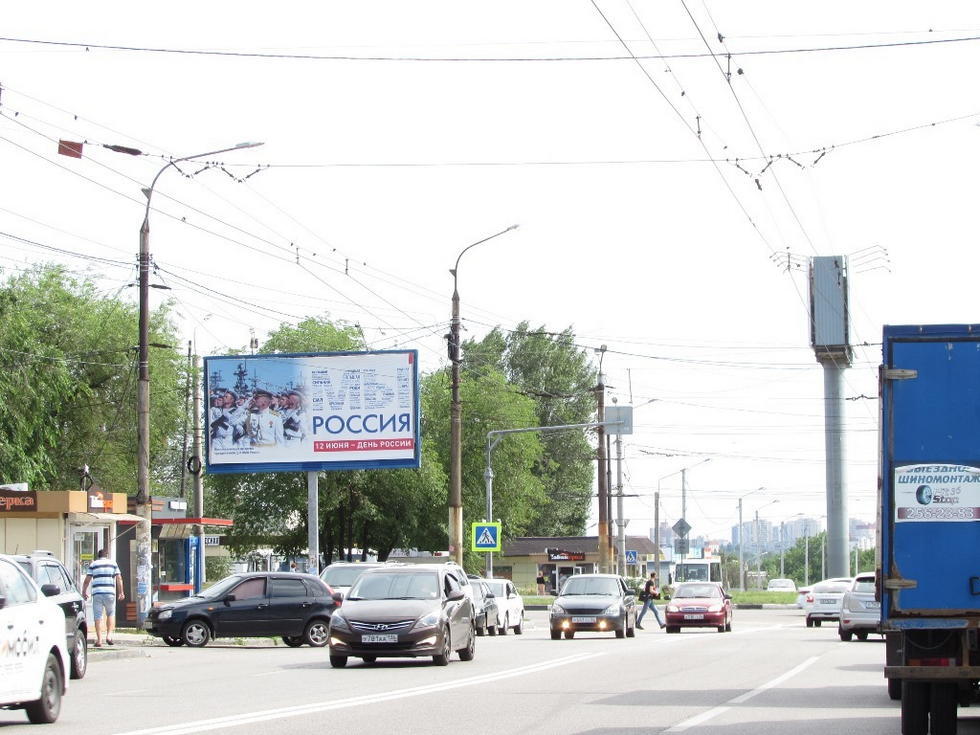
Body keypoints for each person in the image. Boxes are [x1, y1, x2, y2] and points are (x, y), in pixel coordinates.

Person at [82, 548, 125, 647]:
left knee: (98, 616)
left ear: (98, 556)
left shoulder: (93, 564)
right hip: (110, 593)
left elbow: (87, 580)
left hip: (97, 593)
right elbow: (119, 578)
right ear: (107, 555)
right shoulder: (113, 564)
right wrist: (121, 592)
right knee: (110, 613)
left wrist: (84, 592)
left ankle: (99, 640)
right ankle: (109, 636)